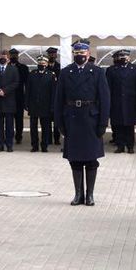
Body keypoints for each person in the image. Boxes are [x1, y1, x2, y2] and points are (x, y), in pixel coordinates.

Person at [54, 42, 110, 206]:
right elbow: (59, 99)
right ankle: (78, 194)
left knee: (91, 159)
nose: (80, 55)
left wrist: (103, 123)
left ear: (88, 53)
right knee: (75, 159)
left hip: (91, 119)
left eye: (83, 52)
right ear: (73, 54)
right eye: (77, 52)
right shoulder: (66, 72)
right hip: (72, 118)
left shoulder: (98, 72)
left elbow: (105, 99)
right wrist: (60, 122)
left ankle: (90, 195)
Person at [106, 49, 136, 154]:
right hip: (116, 102)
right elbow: (108, 88)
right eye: (121, 56)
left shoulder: (135, 69)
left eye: (125, 56)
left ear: (129, 57)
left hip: (130, 102)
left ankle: (130, 146)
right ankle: (120, 146)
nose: (123, 58)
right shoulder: (112, 70)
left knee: (130, 126)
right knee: (118, 126)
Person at [25, 55, 56, 152]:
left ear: (46, 64)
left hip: (45, 105)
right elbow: (28, 90)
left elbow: (53, 92)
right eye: (40, 63)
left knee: (46, 127)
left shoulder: (51, 75)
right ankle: (34, 145)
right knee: (33, 127)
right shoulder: (32, 74)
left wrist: (52, 105)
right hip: (33, 105)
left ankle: (44, 145)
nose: (41, 65)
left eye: (43, 63)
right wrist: (26, 103)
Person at [9, 48, 29, 145]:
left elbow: (27, 84)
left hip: (19, 97)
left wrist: (26, 99)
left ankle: (18, 136)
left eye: (15, 55)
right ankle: (9, 136)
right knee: (8, 119)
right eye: (12, 55)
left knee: (19, 119)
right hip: (7, 97)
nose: (13, 56)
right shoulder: (5, 67)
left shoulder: (23, 68)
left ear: (18, 56)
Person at [46, 47, 61, 145]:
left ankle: (56, 139)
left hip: (56, 95)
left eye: (53, 54)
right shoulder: (44, 66)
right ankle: (48, 139)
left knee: (56, 120)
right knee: (47, 120)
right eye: (50, 54)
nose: (52, 55)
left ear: (56, 55)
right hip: (46, 96)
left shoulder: (59, 66)